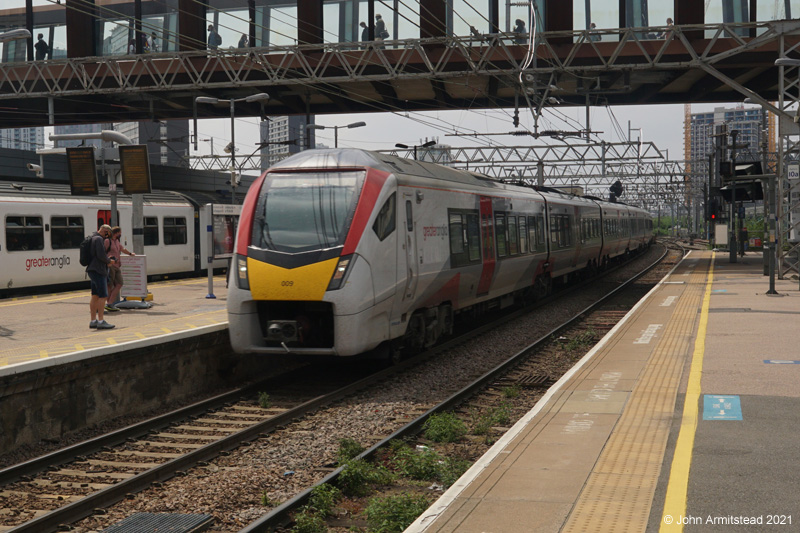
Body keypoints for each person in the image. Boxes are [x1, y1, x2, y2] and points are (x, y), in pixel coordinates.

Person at [87, 224, 115, 330]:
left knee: (95, 296)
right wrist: (109, 261)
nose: (107, 237)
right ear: (105, 231)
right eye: (108, 234)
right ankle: (101, 321)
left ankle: (93, 321)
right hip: (99, 270)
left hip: (92, 269)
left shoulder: (92, 237)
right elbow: (100, 255)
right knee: (103, 296)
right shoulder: (99, 239)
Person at [105, 226, 135, 311]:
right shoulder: (107, 241)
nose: (120, 234)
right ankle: (109, 303)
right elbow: (103, 252)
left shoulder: (117, 241)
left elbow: (122, 249)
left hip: (117, 266)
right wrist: (108, 260)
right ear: (116, 233)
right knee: (109, 285)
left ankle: (109, 302)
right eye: (120, 233)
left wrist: (130, 253)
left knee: (119, 283)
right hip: (111, 266)